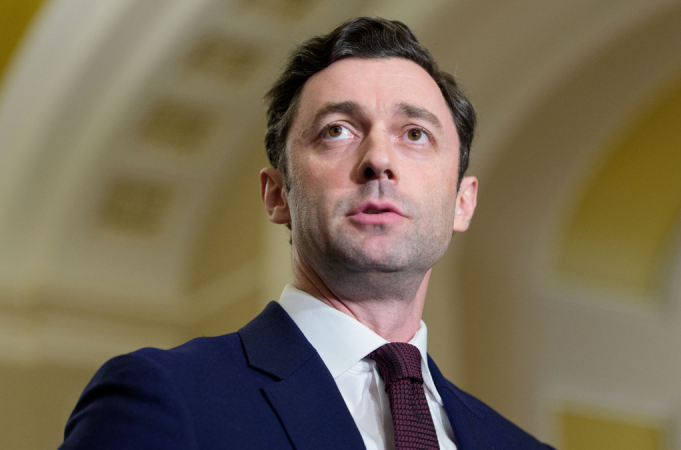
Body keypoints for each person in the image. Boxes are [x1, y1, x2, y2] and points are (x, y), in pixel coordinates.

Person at [60, 17, 554, 450]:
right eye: (337, 130)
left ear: (462, 202)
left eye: (415, 134)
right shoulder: (165, 396)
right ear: (277, 195)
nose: (379, 160)